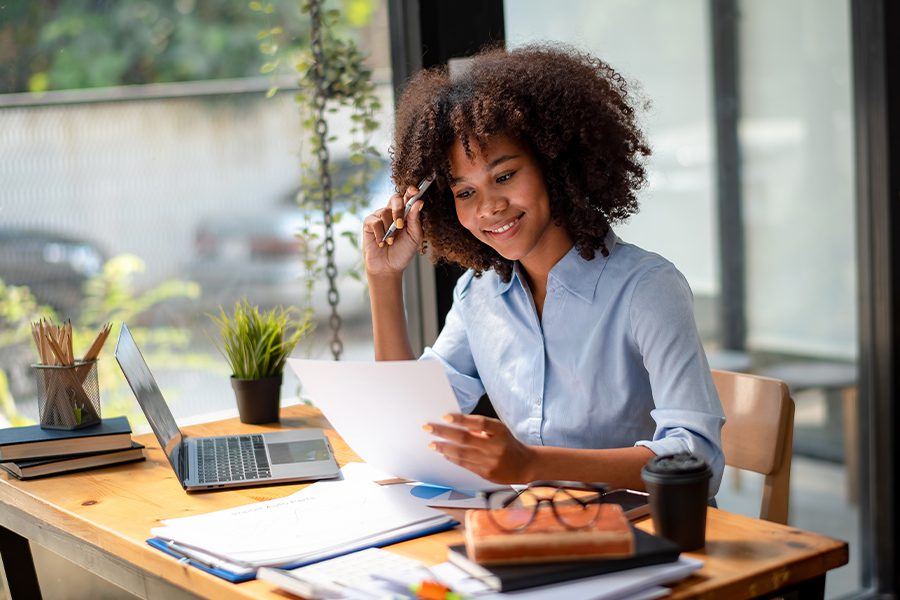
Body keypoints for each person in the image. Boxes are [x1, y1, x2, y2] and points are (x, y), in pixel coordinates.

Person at [362, 43, 725, 494]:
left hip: (640, 536)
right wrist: (384, 279)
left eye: (505, 176)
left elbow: (697, 459)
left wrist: (532, 464)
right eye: (465, 193)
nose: (490, 207)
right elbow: (407, 431)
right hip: (531, 526)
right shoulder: (479, 294)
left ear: (555, 165)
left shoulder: (646, 289)